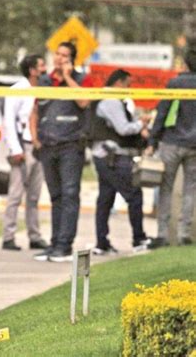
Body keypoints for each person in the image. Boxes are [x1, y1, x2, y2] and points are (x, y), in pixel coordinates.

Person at [30, 41, 93, 262]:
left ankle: (65, 246)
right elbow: (36, 110)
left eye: (64, 55)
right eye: (57, 54)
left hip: (71, 146)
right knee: (55, 196)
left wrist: (68, 78)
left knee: (69, 195)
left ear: (72, 59)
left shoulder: (81, 79)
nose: (59, 58)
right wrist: (35, 139)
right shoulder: (45, 80)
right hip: (48, 146)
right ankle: (54, 243)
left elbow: (84, 101)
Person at [89, 69, 155, 254]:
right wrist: (141, 124)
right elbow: (124, 129)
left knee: (105, 200)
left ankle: (102, 243)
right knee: (134, 195)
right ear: (119, 83)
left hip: (106, 157)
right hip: (113, 158)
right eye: (128, 84)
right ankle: (139, 239)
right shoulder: (111, 101)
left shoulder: (110, 99)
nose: (129, 88)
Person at [146, 49, 196, 248]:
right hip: (194, 145)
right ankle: (185, 233)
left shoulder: (176, 83)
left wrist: (152, 141)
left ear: (185, 65)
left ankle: (163, 235)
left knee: (165, 188)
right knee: (190, 189)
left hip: (172, 142)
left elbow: (162, 112)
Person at [2, 54, 48, 251]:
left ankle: (34, 235)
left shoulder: (44, 89)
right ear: (32, 70)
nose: (45, 69)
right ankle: (8, 236)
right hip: (23, 144)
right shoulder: (18, 90)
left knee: (34, 196)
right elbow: (9, 120)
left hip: (38, 146)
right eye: (41, 65)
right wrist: (15, 148)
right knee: (15, 194)